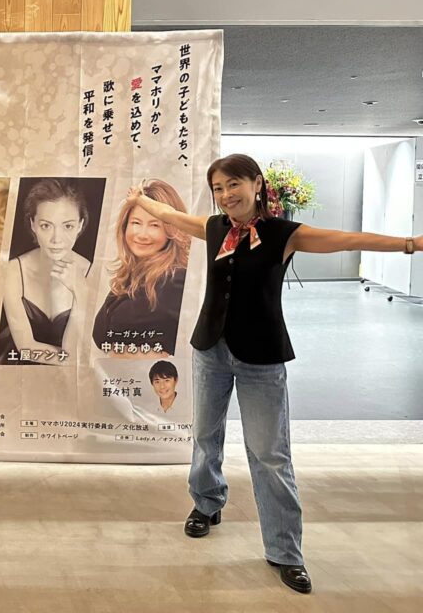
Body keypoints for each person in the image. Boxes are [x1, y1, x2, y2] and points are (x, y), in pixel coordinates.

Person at [126, 153, 423, 594]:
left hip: (261, 357)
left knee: (270, 454)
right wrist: (141, 200)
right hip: (210, 349)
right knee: (205, 435)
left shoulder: (283, 234)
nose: (226, 195)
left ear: (257, 183)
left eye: (234, 184)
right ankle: (206, 504)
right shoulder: (214, 228)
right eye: (218, 188)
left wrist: (410, 244)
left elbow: (346, 239)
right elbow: (170, 215)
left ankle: (285, 551)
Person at [0, 178, 92, 365]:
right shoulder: (13, 271)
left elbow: (80, 350)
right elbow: (26, 347)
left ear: (80, 225)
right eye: (46, 226)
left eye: (68, 226)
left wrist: (81, 293)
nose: (56, 239)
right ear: (33, 224)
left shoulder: (93, 273)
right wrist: (70, 359)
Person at [92, 179, 190, 356]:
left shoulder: (174, 280)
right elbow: (101, 337)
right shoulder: (131, 276)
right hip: (120, 372)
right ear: (125, 226)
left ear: (172, 231)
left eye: (154, 225)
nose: (142, 234)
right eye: (136, 223)